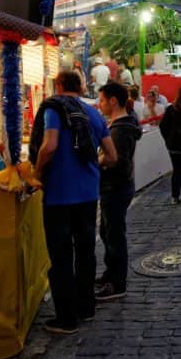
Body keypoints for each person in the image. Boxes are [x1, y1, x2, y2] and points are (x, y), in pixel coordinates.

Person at [31, 70, 117, 334]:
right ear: (80, 87)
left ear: (58, 86)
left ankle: (66, 319)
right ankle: (86, 308)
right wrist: (91, 168)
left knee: (60, 257)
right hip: (88, 196)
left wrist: (36, 172)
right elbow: (112, 156)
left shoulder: (54, 109)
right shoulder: (93, 113)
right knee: (85, 252)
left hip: (58, 196)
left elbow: (50, 145)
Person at [95, 82, 143, 302]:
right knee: (107, 232)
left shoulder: (120, 129)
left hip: (115, 187)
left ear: (113, 101)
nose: (100, 104)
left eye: (103, 100)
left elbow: (116, 160)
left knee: (114, 235)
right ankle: (111, 274)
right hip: (119, 187)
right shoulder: (123, 124)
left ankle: (117, 283)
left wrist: (98, 161)